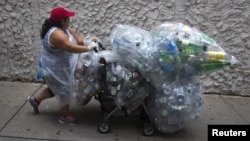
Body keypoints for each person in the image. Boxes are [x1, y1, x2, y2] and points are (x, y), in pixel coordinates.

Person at [28, 7, 98, 125]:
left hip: (59, 66)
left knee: (54, 88)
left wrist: (88, 41)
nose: (70, 20)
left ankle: (35, 101)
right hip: (53, 69)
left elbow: (77, 39)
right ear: (62, 21)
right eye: (68, 18)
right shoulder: (56, 34)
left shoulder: (65, 29)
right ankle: (65, 116)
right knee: (63, 89)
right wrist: (88, 48)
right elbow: (69, 47)